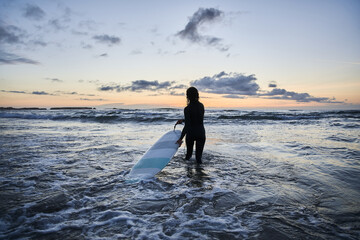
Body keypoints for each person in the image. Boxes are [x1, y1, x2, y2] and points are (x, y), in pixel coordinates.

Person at [176, 87, 206, 164]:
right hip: (201, 133)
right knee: (199, 158)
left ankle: (188, 175)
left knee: (188, 156)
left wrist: (180, 139)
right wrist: (183, 120)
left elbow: (188, 125)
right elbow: (196, 119)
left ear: (188, 96)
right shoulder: (201, 106)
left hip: (191, 134)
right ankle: (200, 174)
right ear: (197, 95)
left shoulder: (187, 108)